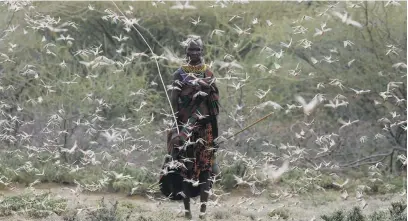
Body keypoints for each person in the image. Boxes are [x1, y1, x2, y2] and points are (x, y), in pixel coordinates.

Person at [161, 35, 220, 219]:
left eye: (197, 49)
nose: (194, 52)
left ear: (202, 52)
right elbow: (174, 101)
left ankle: (202, 213)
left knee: (206, 171)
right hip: (186, 129)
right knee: (185, 170)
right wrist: (176, 127)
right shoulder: (179, 74)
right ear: (185, 52)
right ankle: (187, 213)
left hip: (205, 128)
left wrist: (208, 91)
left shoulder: (208, 73)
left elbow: (215, 103)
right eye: (191, 49)